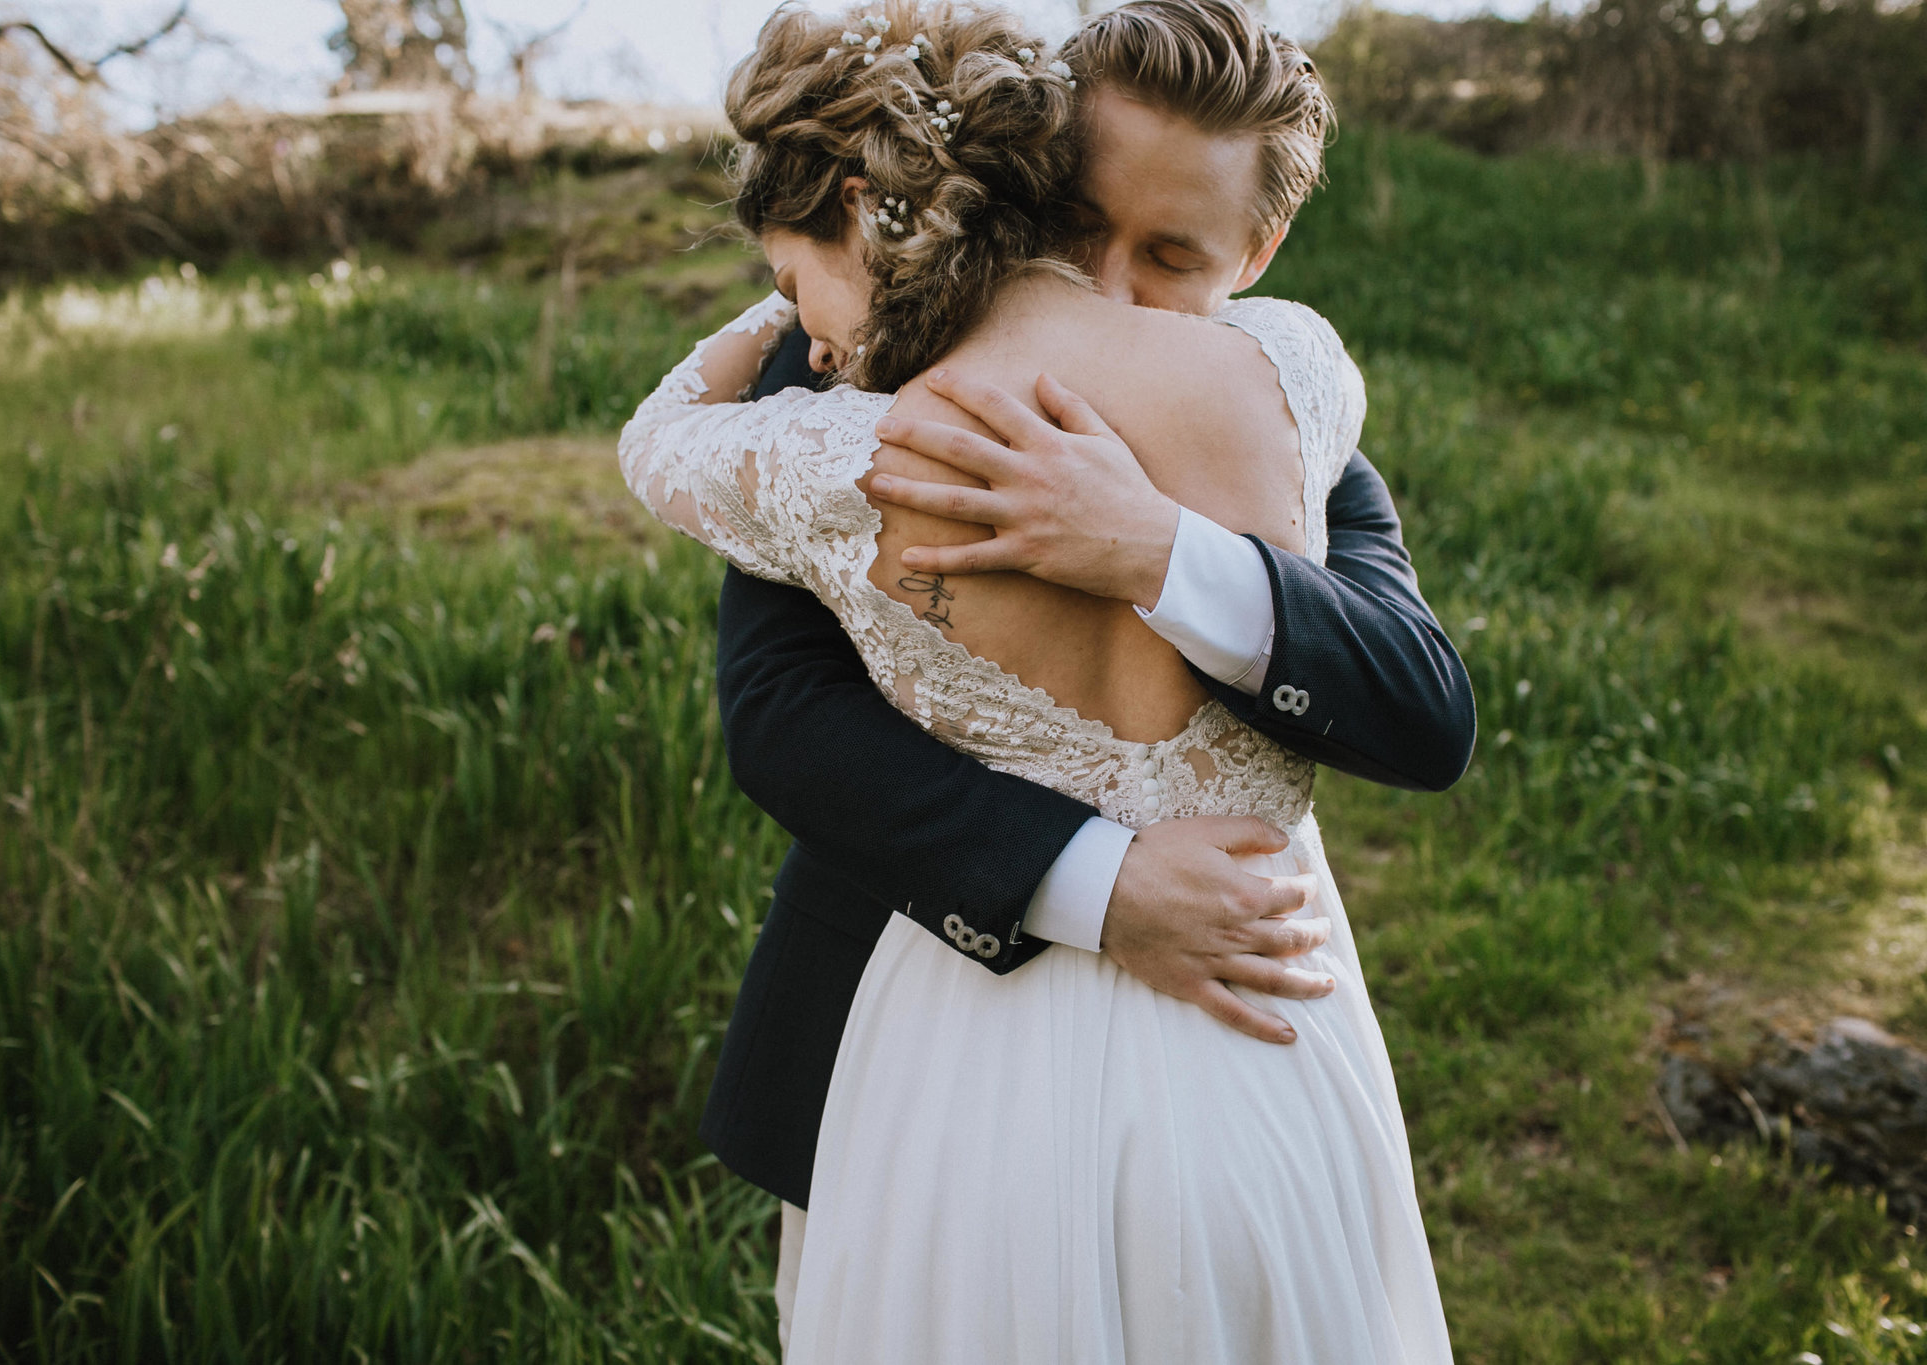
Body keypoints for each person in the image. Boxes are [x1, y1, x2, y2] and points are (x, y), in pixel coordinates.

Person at [620, 1, 1460, 1358]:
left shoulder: (1272, 387)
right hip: (942, 970)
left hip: (1252, 997)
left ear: (1261, 250)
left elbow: (1422, 708)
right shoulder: (837, 357)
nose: (1116, 289)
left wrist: (1161, 549)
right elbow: (781, 719)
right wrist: (1095, 884)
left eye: (1173, 255)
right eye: (1079, 229)